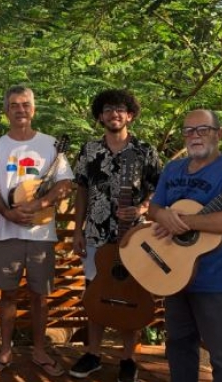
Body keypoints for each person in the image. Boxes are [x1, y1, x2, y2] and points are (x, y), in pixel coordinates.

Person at [0, 85, 73, 378]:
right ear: (6, 110)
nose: (20, 109)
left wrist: (40, 203)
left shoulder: (51, 145)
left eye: (26, 104)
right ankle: (5, 351)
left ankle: (40, 351)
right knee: (6, 295)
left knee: (40, 297)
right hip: (7, 232)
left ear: (33, 109)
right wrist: (7, 212)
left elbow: (65, 183)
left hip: (41, 234)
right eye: (15, 105)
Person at [148, 109, 222, 382]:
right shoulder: (173, 168)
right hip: (174, 273)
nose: (194, 136)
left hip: (217, 279)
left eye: (202, 129)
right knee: (179, 347)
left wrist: (189, 222)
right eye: (188, 131)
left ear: (219, 133)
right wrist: (163, 215)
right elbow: (155, 207)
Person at [69, 89, 161, 381]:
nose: (114, 114)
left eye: (120, 109)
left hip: (134, 236)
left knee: (131, 294)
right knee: (96, 292)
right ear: (100, 116)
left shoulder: (146, 150)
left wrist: (142, 207)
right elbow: (81, 189)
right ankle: (94, 353)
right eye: (108, 109)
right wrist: (78, 230)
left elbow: (160, 189)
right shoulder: (89, 150)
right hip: (96, 235)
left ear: (130, 114)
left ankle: (128, 359)